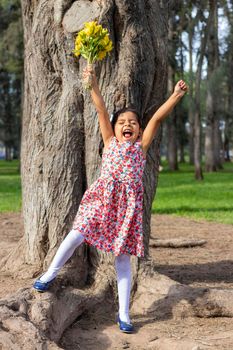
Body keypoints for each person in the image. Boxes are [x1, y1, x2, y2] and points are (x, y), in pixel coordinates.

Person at [33, 67, 188, 333]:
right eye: (122, 122)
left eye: (133, 123)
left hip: (127, 209)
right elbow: (101, 110)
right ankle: (50, 273)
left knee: (123, 260)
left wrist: (174, 96)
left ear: (139, 130)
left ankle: (124, 314)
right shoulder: (109, 141)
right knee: (76, 234)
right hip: (102, 200)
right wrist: (92, 83)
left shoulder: (141, 147)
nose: (127, 125)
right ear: (114, 129)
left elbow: (157, 120)